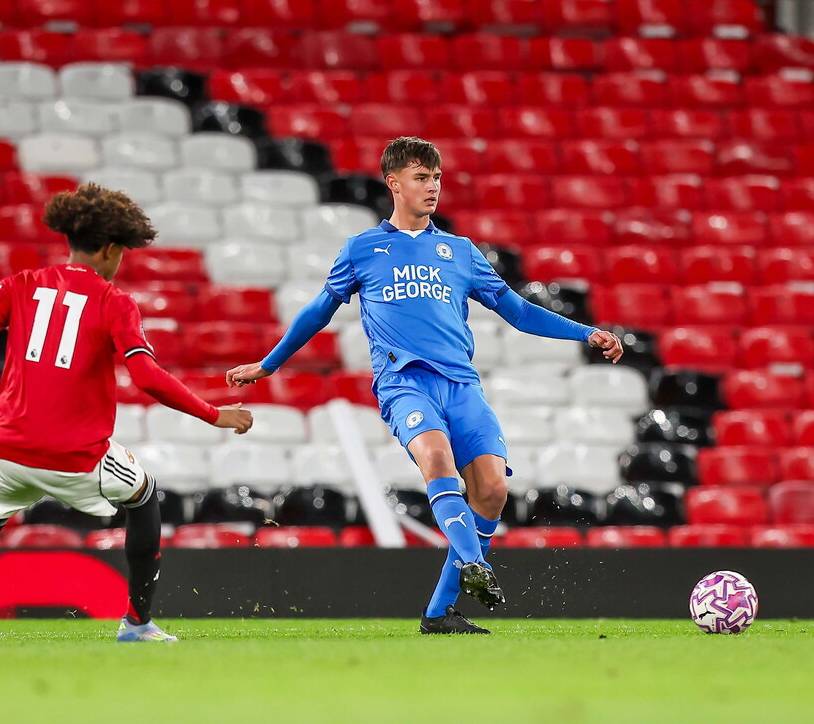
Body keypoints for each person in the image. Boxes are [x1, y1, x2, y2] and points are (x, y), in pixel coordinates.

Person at [226, 137, 622, 635]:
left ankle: (439, 614)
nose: (432, 186)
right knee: (437, 460)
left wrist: (585, 331)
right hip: (404, 382)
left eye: (436, 177)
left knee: (493, 490)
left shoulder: (459, 252)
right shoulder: (363, 249)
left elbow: (517, 312)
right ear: (394, 184)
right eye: (420, 177)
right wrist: (269, 363)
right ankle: (475, 563)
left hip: (462, 385)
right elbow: (317, 312)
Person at [0, 183, 253, 644]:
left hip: (10, 448)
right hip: (77, 458)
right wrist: (213, 414)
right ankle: (137, 623)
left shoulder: (22, 283)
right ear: (112, 249)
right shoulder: (113, 302)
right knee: (144, 496)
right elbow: (147, 377)